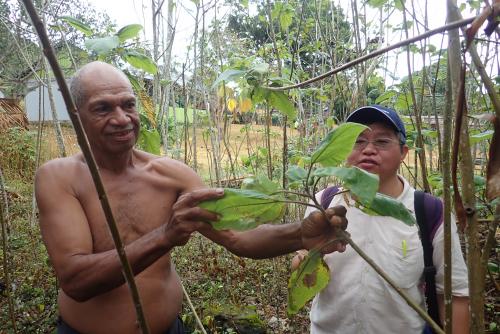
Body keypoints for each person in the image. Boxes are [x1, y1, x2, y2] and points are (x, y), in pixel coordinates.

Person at [34, 61, 348, 334]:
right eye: (103, 108)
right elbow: (76, 281)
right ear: (76, 115)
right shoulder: (59, 178)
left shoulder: (171, 174)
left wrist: (300, 233)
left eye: (128, 105)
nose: (121, 118)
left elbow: (240, 239)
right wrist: (165, 235)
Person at [292, 105, 469, 333]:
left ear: (404, 152)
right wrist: (306, 259)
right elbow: (303, 268)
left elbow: (454, 294)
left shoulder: (429, 212)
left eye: (382, 142)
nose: (368, 150)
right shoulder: (324, 203)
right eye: (358, 141)